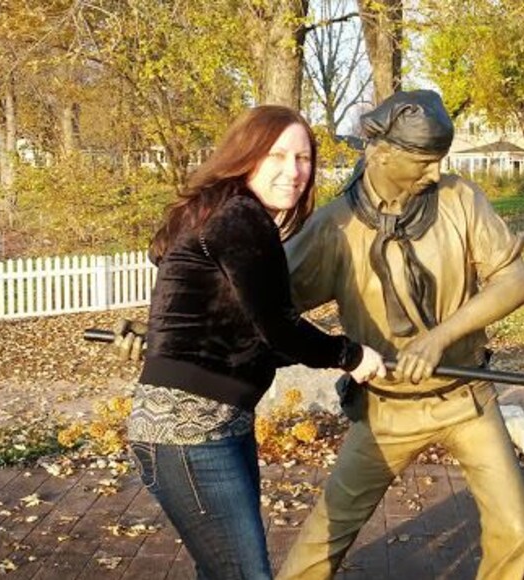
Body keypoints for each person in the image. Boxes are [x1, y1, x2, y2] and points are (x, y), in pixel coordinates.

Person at [276, 89, 524, 579]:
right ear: (381, 153)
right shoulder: (335, 228)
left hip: (466, 399)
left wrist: (440, 337)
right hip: (386, 411)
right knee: (320, 543)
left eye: (440, 160)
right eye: (424, 160)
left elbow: (516, 280)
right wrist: (164, 329)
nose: (436, 172)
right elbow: (261, 304)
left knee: (515, 528)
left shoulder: (460, 199)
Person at [126, 105, 386, 580]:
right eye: (277, 155)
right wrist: (351, 356)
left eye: (304, 158)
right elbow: (279, 329)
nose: (294, 171)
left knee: (220, 571)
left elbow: (238, 329)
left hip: (215, 425)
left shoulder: (217, 210)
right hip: (188, 432)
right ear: (246, 155)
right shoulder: (239, 217)